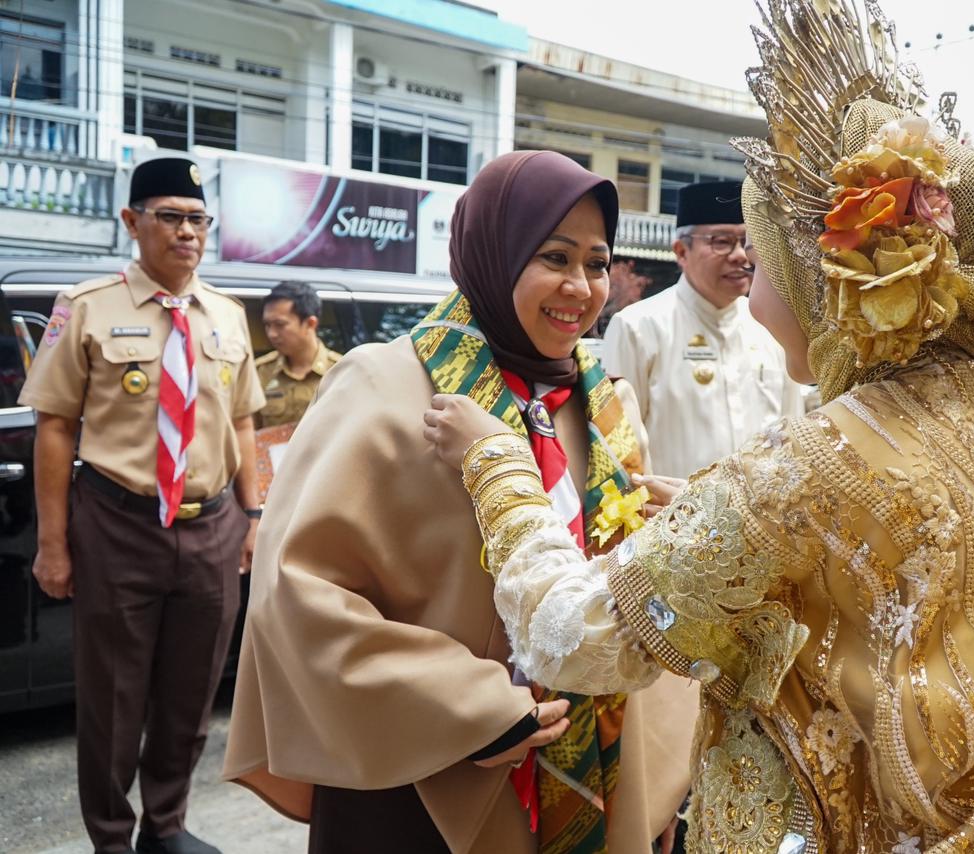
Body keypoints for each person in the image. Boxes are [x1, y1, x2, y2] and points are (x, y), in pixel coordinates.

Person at [424, 3, 974, 849]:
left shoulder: (815, 460)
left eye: (763, 256)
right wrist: (706, 507)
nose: (749, 276)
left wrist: (497, 466)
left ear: (830, 282)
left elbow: (569, 638)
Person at [224, 150, 697, 854]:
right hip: (417, 776)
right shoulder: (383, 388)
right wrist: (473, 708)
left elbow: (628, 597)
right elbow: (298, 592)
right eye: (554, 257)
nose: (580, 287)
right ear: (492, 254)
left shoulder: (602, 404)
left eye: (597, 264)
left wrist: (656, 781)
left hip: (596, 767)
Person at [20, 157, 264, 854]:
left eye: (198, 220)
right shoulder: (87, 307)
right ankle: (110, 838)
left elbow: (243, 423)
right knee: (112, 702)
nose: (187, 233)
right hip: (117, 524)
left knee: (190, 699)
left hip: (212, 527)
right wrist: (54, 543)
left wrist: (252, 519)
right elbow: (55, 426)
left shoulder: (227, 315)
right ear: (132, 222)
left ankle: (166, 825)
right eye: (171, 217)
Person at [602, 179, 806, 478]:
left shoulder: (771, 326)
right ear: (681, 251)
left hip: (761, 521)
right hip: (671, 520)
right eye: (721, 241)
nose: (739, 256)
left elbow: (793, 435)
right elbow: (619, 449)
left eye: (746, 244)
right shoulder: (638, 327)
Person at [253, 280, 341, 429]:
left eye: (280, 325)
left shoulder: (341, 371)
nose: (271, 334)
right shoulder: (260, 371)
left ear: (310, 324)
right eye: (267, 325)